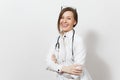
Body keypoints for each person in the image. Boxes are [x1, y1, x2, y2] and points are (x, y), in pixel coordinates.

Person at [46, 7, 92, 80]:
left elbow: (76, 73)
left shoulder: (78, 40)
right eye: (62, 18)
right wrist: (66, 69)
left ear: (74, 22)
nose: (64, 21)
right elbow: (48, 64)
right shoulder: (56, 40)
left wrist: (57, 66)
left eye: (68, 18)